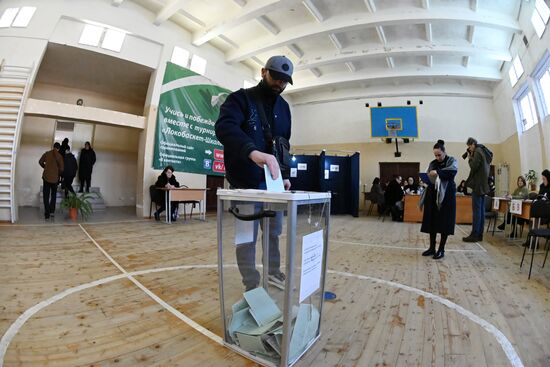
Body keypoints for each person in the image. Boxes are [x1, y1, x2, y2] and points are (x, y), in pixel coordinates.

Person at [215, 55, 293, 291]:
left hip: (274, 185)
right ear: (263, 72)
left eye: (285, 81)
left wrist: (285, 173)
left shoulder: (285, 108)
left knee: (274, 233)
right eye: (276, 77)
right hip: (244, 183)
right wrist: (252, 152)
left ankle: (273, 272)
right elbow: (224, 127)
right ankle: (250, 282)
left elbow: (284, 143)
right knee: (246, 237)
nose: (280, 83)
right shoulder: (239, 99)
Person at [420, 140, 458, 259]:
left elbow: (452, 172)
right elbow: (429, 175)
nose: (437, 157)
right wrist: (425, 179)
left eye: (439, 155)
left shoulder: (452, 160)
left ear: (444, 152)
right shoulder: (433, 162)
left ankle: (441, 249)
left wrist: (437, 172)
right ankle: (432, 248)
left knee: (444, 222)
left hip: (447, 195)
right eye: (435, 155)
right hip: (433, 194)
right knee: (432, 221)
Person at [463, 137, 493, 242]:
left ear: (473, 144)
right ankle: (479, 234)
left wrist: (470, 157)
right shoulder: (483, 151)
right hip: (483, 185)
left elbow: (474, 166)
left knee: (476, 211)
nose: (469, 148)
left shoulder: (477, 152)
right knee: (480, 211)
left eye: (469, 146)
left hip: (478, 185)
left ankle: (475, 234)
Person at [39, 142, 64, 220]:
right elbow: (62, 169)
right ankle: (52, 212)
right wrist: (57, 173)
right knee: (53, 195)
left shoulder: (47, 154)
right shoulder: (60, 156)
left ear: (53, 147)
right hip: (55, 179)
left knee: (46, 196)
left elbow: (40, 162)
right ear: (59, 148)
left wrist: (45, 167)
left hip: (46, 178)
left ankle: (47, 214)